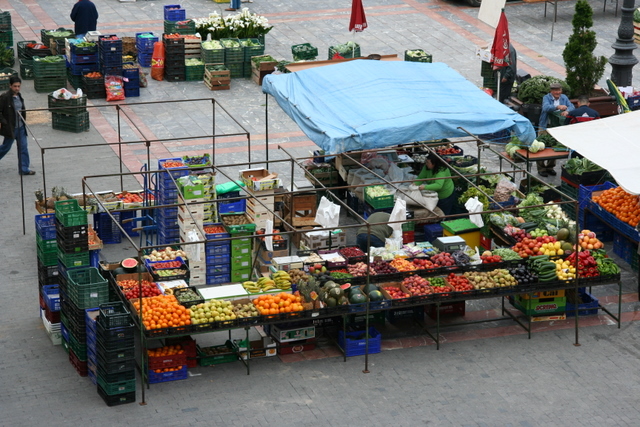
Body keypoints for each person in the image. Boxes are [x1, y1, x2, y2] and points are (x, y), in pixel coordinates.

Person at [536, 82, 575, 177]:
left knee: (554, 146)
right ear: (551, 91)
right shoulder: (546, 98)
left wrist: (567, 111)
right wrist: (557, 107)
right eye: (555, 91)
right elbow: (546, 108)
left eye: (559, 90)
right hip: (545, 125)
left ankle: (550, 167)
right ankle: (541, 168)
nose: (558, 92)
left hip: (557, 126)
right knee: (541, 146)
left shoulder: (564, 97)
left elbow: (572, 106)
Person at [0, 76, 34, 176]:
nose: (17, 88)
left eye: (19, 86)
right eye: (15, 86)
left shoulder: (19, 96)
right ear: (10, 86)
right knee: (6, 147)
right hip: (11, 128)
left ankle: (24, 169)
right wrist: (4, 122)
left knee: (23, 147)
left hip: (21, 127)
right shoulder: (5, 97)